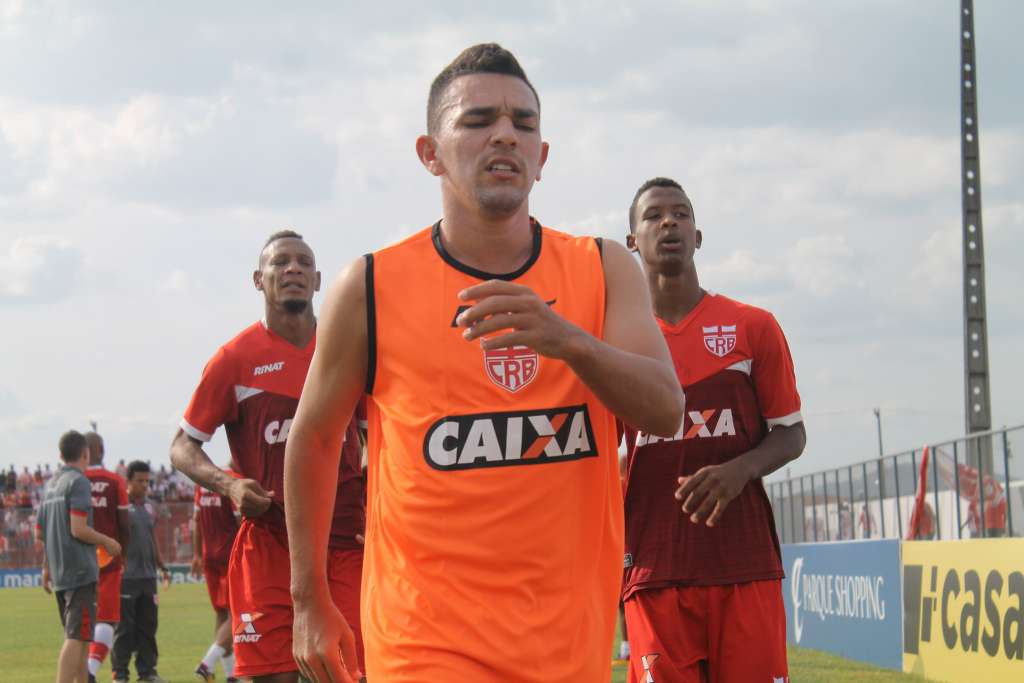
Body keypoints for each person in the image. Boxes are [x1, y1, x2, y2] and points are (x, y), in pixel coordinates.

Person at [283, 43, 684, 683]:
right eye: (477, 121)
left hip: (567, 648)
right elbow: (316, 436)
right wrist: (308, 599)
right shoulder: (372, 284)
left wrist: (569, 341)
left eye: (524, 124)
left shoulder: (603, 268)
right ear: (430, 153)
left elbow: (666, 410)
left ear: (542, 158)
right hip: (423, 643)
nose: (505, 134)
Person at [621, 177, 806, 682]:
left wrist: (739, 470)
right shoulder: (616, 343)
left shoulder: (753, 326)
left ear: (698, 235)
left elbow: (791, 433)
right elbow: (601, 452)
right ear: (632, 240)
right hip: (655, 569)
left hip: (743, 564)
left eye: (681, 213)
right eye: (654, 215)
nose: (669, 222)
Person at [170, 230, 366, 683]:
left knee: (351, 673)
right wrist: (230, 484)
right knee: (271, 678)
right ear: (259, 279)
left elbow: (377, 434)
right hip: (269, 544)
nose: (292, 269)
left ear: (318, 280)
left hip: (343, 544)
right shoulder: (234, 360)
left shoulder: (349, 349)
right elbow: (182, 445)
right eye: (280, 263)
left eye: (302, 263)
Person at [37, 430, 122, 683]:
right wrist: (107, 541)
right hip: (80, 572)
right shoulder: (79, 482)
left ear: (60, 455)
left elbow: (42, 533)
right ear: (85, 453)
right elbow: (78, 528)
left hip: (61, 572)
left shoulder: (50, 485)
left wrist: (45, 568)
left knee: (83, 638)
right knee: (75, 637)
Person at [111, 460, 170, 683]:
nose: (145, 485)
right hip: (127, 577)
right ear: (128, 481)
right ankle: (120, 673)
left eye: (147, 481)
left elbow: (152, 539)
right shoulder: (121, 506)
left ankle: (147, 672)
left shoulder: (149, 507)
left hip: (148, 577)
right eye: (140, 481)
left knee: (148, 627)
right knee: (125, 628)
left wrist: (162, 565)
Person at [83, 432, 132, 683]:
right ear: (101, 448)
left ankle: (80, 671)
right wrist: (123, 552)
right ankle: (90, 671)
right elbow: (124, 522)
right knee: (107, 618)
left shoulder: (73, 479)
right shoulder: (114, 481)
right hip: (107, 558)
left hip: (78, 560)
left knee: (80, 623)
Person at [191, 464, 241, 682]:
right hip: (230, 555)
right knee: (237, 613)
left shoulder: (203, 482)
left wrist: (196, 555)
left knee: (222, 614)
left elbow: (196, 520)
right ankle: (207, 663)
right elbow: (241, 520)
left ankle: (230, 675)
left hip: (209, 556)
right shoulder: (231, 480)